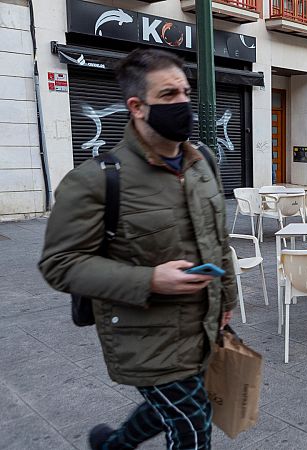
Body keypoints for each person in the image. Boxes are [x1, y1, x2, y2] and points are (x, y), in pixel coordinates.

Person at [38, 49, 238, 450]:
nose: (182, 103)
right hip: (147, 339)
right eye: (167, 95)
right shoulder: (95, 180)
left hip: (204, 326)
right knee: (192, 426)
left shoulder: (204, 164)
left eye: (184, 92)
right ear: (137, 107)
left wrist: (227, 300)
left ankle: (114, 445)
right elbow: (59, 264)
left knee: (180, 406)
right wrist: (150, 280)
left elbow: (219, 242)